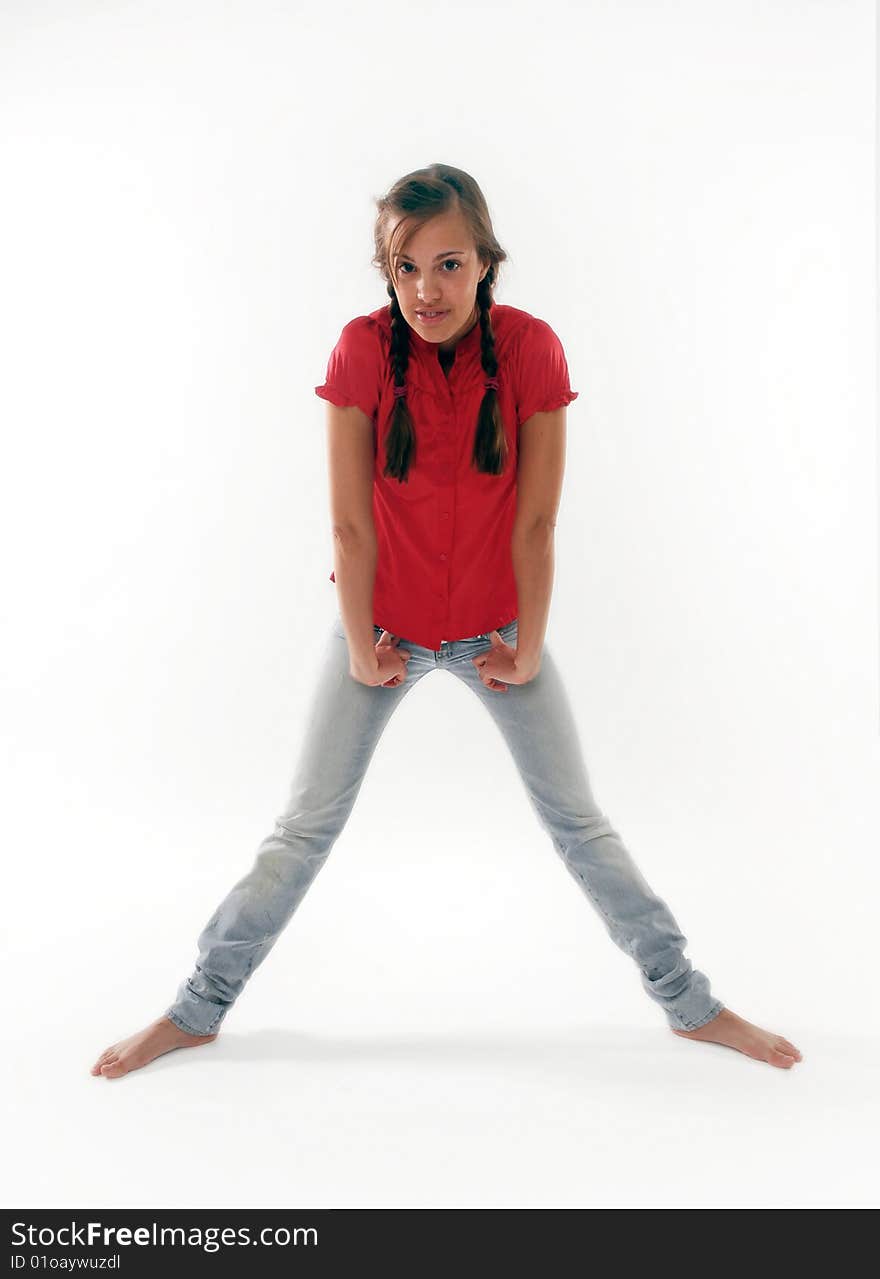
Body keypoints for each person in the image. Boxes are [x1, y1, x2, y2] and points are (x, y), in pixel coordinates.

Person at [91, 163, 802, 1080]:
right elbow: (348, 523)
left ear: (486, 263)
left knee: (580, 825)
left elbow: (537, 522)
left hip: (497, 634)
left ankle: (689, 1001)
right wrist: (357, 644)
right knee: (302, 830)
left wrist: (529, 647)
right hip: (377, 630)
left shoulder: (534, 349)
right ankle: (196, 1008)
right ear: (386, 271)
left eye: (450, 264)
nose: (428, 288)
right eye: (407, 266)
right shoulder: (357, 350)